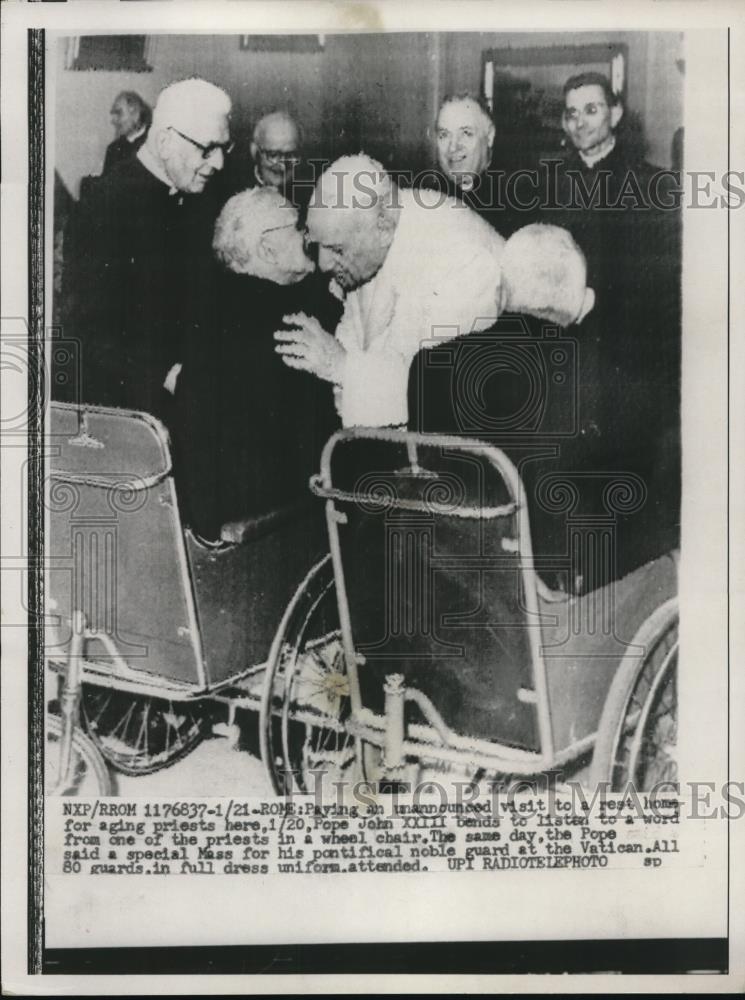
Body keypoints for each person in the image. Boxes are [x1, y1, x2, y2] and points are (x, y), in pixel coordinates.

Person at [274, 153, 505, 428]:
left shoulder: (458, 256)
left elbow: (443, 394)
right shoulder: (370, 239)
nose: (323, 265)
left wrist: (342, 367)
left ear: (383, 229)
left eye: (336, 249)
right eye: (318, 246)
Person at [172, 187, 342, 541]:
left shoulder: (215, 307)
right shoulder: (291, 322)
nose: (308, 235)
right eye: (297, 227)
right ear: (267, 249)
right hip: (279, 528)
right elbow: (331, 445)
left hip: (218, 523)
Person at [60, 78, 232, 417]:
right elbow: (88, 334)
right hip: (130, 411)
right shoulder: (103, 206)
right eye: (208, 148)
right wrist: (167, 375)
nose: (219, 164)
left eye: (225, 149)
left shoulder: (202, 197)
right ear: (166, 141)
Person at [250, 111, 302, 196]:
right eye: (273, 155)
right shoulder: (238, 193)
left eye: (290, 155)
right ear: (255, 152)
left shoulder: (307, 196)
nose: (282, 165)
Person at [102, 91, 151, 174]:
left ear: (136, 114)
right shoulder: (113, 149)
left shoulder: (154, 144)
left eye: (119, 113)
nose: (113, 120)